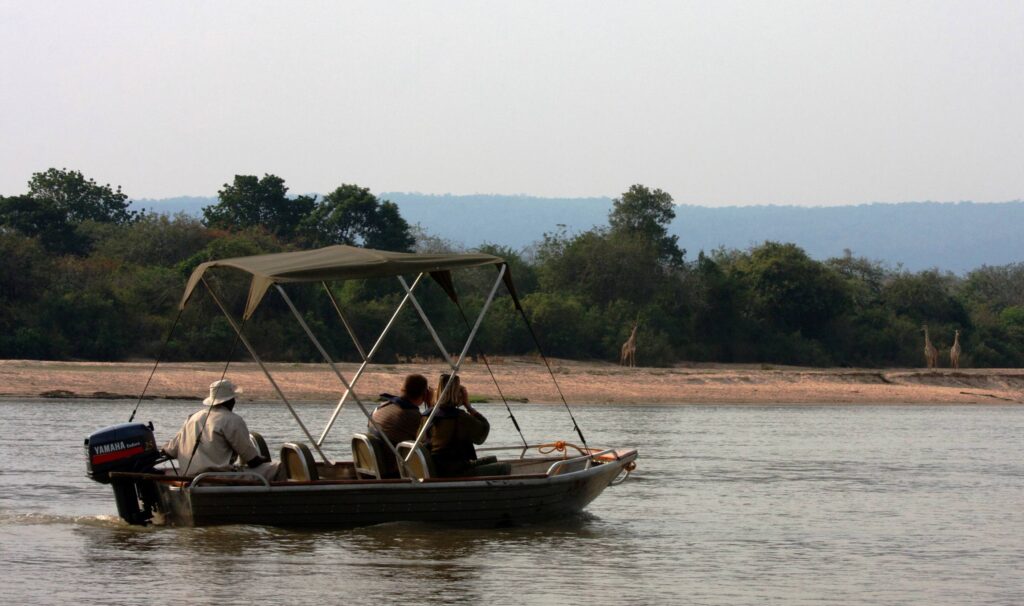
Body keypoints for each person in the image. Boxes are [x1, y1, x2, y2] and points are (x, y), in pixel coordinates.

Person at [163, 379, 283, 481]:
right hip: (217, 479)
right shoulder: (232, 420)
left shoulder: (192, 418)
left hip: (190, 478)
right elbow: (252, 461)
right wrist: (262, 459)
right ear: (231, 400)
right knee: (278, 467)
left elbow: (169, 451)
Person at [420, 374, 511, 477]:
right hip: (456, 471)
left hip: (438, 466)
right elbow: (482, 433)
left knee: (492, 459)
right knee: (505, 467)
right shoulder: (460, 417)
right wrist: (469, 407)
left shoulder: (427, 415)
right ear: (457, 394)